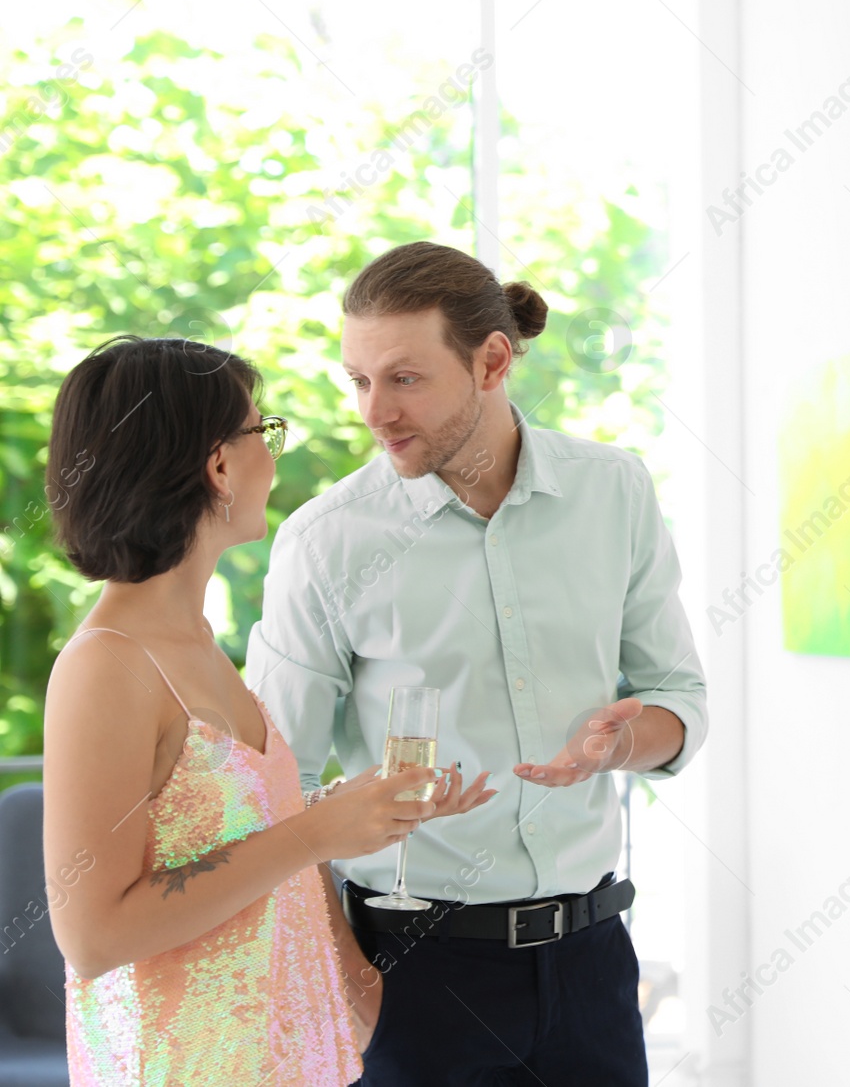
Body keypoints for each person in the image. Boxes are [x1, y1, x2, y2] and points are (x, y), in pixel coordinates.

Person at [244, 241, 708, 1086]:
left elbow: (676, 698)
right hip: (413, 973)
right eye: (358, 380)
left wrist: (619, 745)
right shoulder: (326, 541)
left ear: (492, 360)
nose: (374, 411)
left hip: (593, 962)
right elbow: (275, 789)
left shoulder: (614, 492)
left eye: (405, 379)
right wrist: (354, 983)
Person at [41, 335, 497, 1086]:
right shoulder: (106, 664)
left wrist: (359, 810)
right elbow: (91, 935)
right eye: (264, 431)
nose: (274, 455)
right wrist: (321, 829)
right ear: (218, 464)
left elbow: (232, 834)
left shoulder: (196, 641)